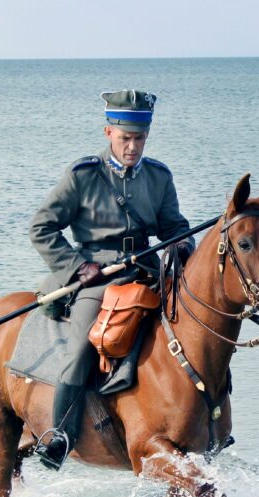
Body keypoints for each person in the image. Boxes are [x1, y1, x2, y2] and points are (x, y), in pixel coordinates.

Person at [29, 89, 195, 471]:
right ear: (108, 133)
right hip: (98, 276)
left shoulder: (159, 177)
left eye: (139, 139)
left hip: (147, 270)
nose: (133, 147)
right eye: (125, 139)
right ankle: (61, 433)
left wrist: (184, 244)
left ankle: (207, 420)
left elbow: (174, 225)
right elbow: (42, 228)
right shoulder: (83, 175)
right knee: (82, 346)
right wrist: (76, 267)